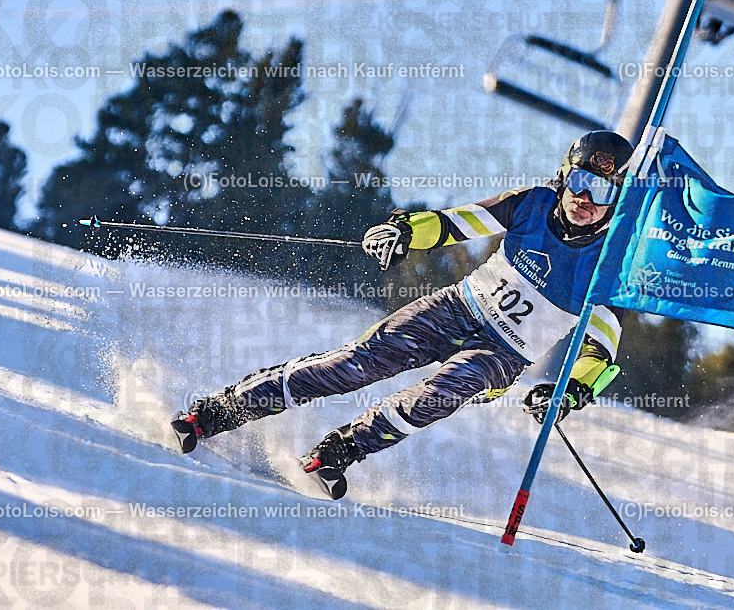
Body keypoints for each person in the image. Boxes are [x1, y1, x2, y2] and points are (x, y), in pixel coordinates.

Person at [172, 131, 631, 498]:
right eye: (579, 181)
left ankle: (340, 450)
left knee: (450, 387)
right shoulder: (531, 203)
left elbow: (601, 350)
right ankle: (219, 411)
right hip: (458, 308)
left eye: (602, 190)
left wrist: (570, 391)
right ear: (564, 175)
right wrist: (403, 231)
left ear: (618, 202)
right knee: (358, 364)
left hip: (504, 353)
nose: (584, 198)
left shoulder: (611, 266)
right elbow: (455, 223)